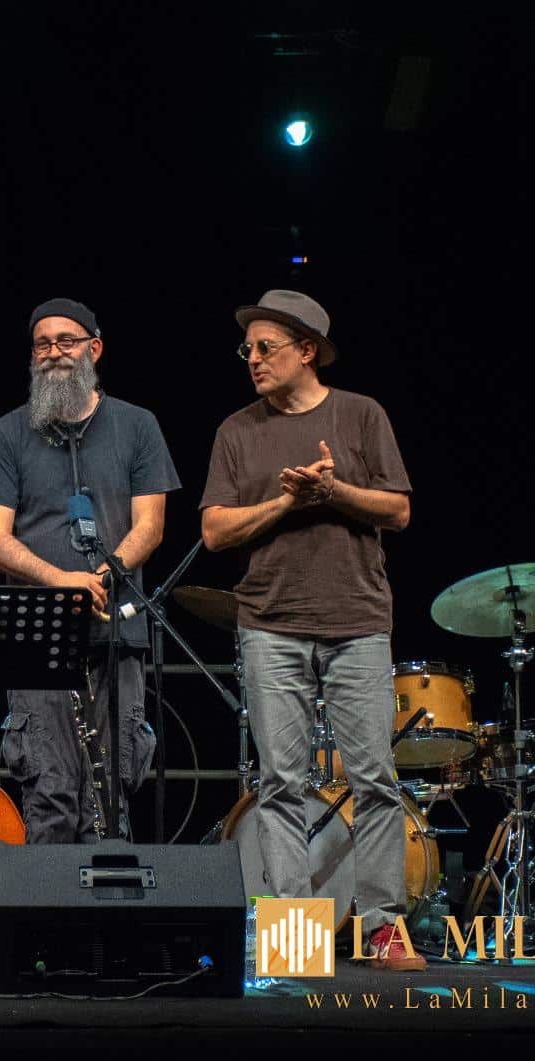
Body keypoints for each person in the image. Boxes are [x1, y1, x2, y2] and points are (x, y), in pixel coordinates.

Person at [197, 289, 422, 970]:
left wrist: (334, 492)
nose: (253, 359)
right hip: (270, 625)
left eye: (266, 347)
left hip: (357, 623)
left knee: (374, 778)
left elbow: (398, 511)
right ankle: (294, 940)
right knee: (281, 783)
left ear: (307, 351)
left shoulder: (361, 414)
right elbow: (215, 532)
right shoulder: (237, 430)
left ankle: (383, 929)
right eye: (247, 349)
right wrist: (287, 501)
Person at [0, 298, 178, 843]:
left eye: (67, 340)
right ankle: (46, 902)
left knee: (111, 797)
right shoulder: (5, 434)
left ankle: (111, 901)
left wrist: (103, 578)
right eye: (43, 344)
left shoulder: (138, 425)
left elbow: (151, 526)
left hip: (116, 631)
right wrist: (61, 582)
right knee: (50, 791)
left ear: (94, 348)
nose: (54, 352)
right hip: (35, 635)